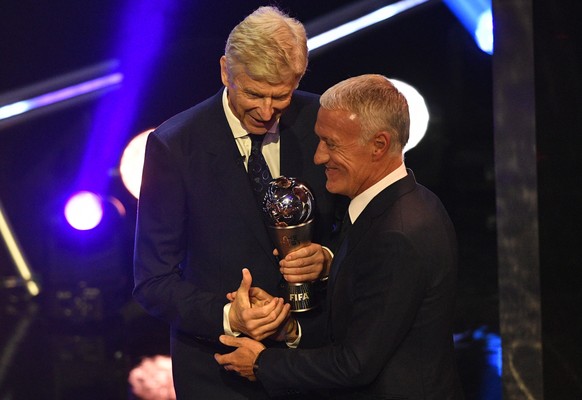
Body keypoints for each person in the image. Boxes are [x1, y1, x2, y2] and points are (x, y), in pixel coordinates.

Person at [215, 74, 465, 399]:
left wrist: (263, 363)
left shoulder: (398, 232)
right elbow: (362, 326)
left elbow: (355, 363)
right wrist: (291, 331)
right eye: (319, 140)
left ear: (379, 145)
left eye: (331, 144)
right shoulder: (404, 204)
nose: (318, 157)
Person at [133, 6, 339, 399]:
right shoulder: (175, 146)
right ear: (226, 70)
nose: (265, 111)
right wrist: (230, 316)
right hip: (218, 376)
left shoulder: (322, 122)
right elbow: (153, 282)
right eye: (253, 93)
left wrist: (328, 259)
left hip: (316, 363)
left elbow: (360, 233)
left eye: (281, 96)